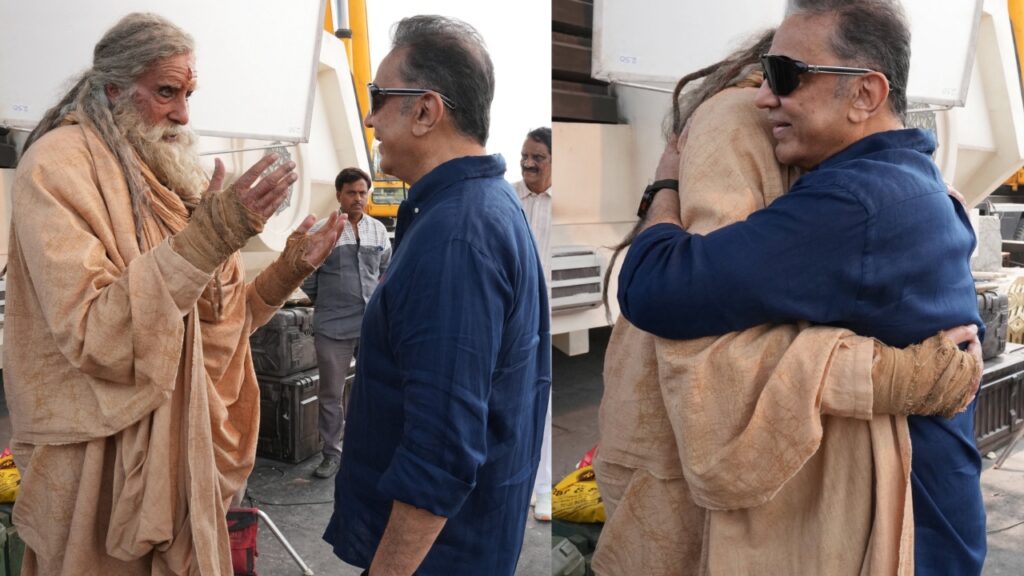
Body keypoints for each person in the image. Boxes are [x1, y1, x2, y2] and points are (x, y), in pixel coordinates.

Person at [601, 2, 984, 575]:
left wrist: (666, 187)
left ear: (865, 94)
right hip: (932, 509)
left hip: (910, 533)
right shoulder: (908, 178)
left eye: (785, 76)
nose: (763, 98)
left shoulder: (854, 207)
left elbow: (657, 289)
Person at [3, 13, 344, 575]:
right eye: (166, 92)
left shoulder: (164, 171)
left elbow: (211, 329)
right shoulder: (56, 166)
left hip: (185, 458)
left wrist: (287, 271)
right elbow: (95, 334)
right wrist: (208, 238)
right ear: (114, 88)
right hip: (102, 471)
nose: (184, 114)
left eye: (188, 94)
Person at [322, 15, 550, 575]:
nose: (370, 118)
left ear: (426, 111)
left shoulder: (457, 236)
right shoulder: (478, 207)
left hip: (438, 556)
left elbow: (441, 448)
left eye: (378, 97)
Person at [302, 167, 391, 479]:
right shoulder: (322, 232)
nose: (358, 198)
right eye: (351, 192)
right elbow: (308, 278)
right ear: (339, 195)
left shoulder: (378, 231)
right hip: (333, 328)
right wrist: (330, 302)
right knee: (331, 394)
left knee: (371, 389)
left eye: (362, 193)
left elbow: (385, 271)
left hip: (370, 327)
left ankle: (365, 448)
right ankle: (331, 454)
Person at [513, 126, 553, 522]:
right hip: (515, 318)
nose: (528, 163)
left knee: (545, 403)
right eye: (525, 156)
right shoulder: (509, 198)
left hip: (552, 317)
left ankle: (543, 489)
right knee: (515, 403)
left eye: (537, 157)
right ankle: (521, 484)